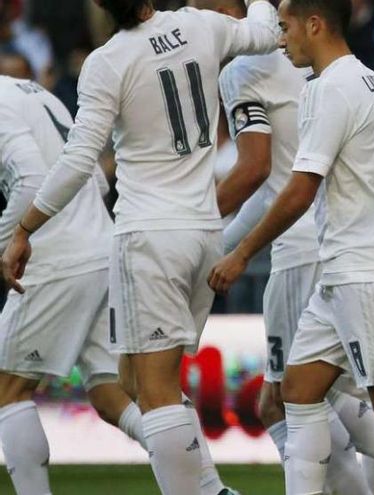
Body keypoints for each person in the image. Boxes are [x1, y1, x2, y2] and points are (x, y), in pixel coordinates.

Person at [1, 0, 279, 493]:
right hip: (203, 231)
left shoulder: (107, 61)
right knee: (132, 382)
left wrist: (25, 227)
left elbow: (78, 160)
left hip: (149, 236)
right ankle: (212, 488)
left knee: (152, 391)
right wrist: (258, 3)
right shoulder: (201, 25)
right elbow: (265, 31)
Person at [207, 1, 374, 494]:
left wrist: (241, 251)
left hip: (364, 268)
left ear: (314, 24)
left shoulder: (331, 89)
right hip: (343, 267)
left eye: (286, 27)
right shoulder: (367, 80)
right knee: (297, 391)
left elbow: (299, 188)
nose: (281, 38)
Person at [0, 75, 140, 495]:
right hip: (101, 247)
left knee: (6, 387)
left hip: (55, 257)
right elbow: (95, 177)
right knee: (114, 395)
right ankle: (206, 484)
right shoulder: (32, 91)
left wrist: (4, 244)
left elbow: (29, 179)